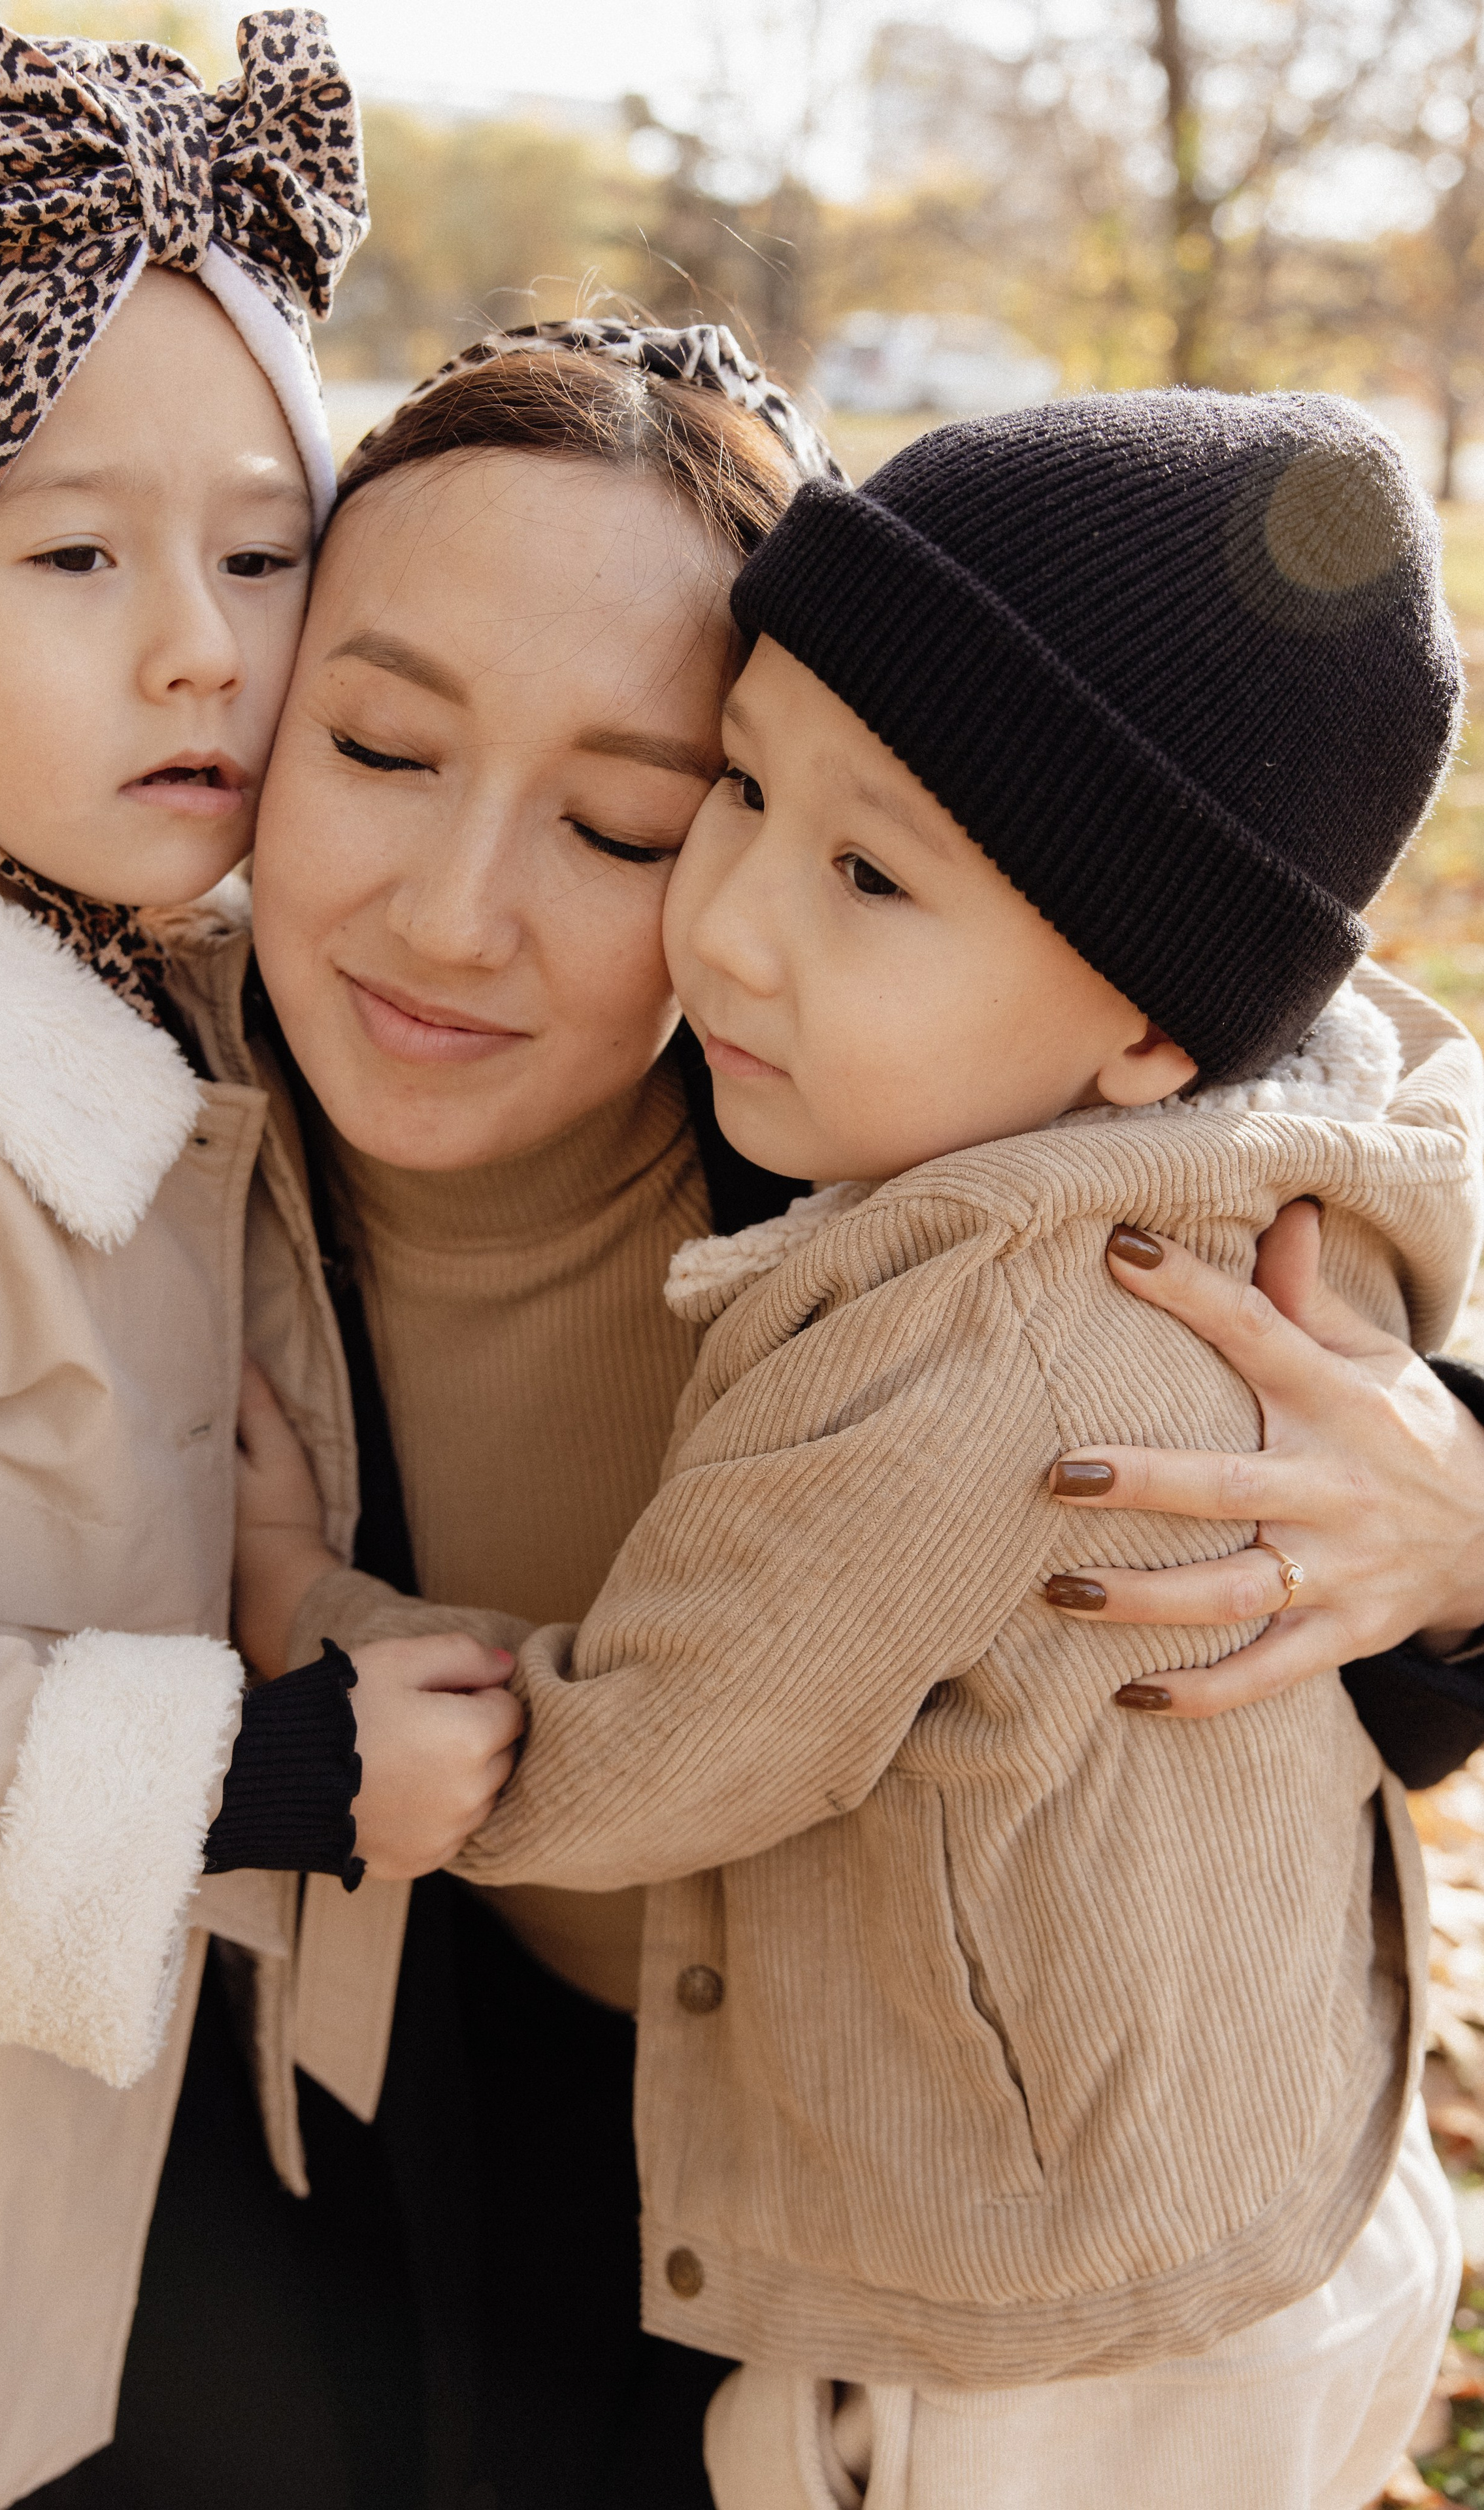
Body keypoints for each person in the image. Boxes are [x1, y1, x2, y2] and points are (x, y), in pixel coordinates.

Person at [221, 340, 1484, 2510]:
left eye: (630, 807)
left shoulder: (930, 1251)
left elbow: (643, 1745)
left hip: (978, 2286)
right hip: (1127, 2201)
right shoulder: (116, 1071)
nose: (724, 918)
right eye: (375, 744)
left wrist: (1463, 1511)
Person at [0, 12, 374, 2505]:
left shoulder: (200, 965)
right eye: (71, 553)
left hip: (143, 2211)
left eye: (267, 550)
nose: (203, 645)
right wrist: (255, 1770)